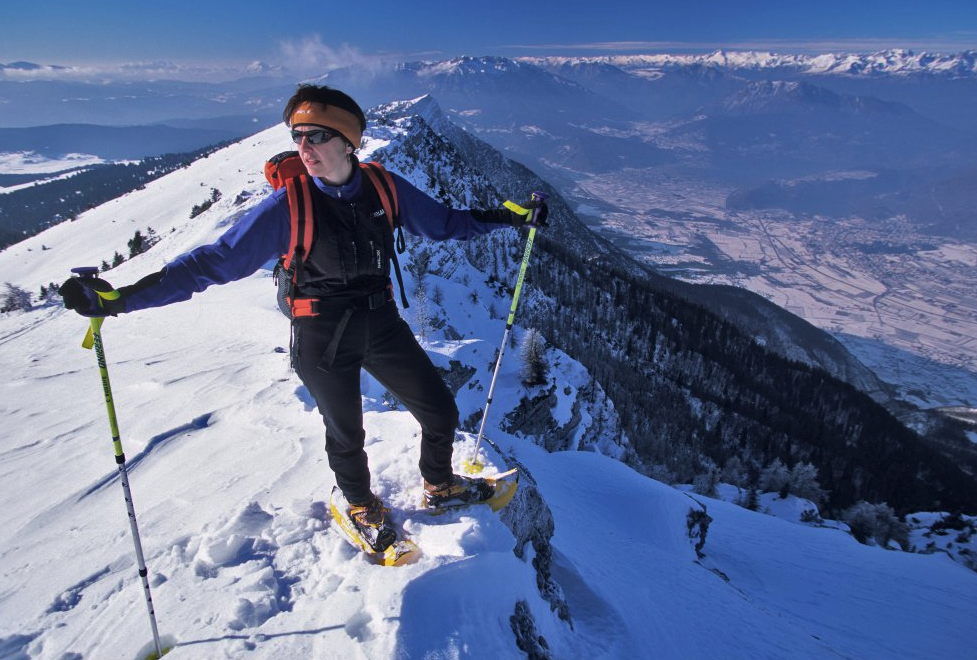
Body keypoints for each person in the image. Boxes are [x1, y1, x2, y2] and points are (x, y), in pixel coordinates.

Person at [60, 84, 547, 551]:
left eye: (317, 135)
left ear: (349, 141)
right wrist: (120, 299)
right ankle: (360, 506)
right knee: (347, 432)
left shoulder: (383, 187)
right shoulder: (288, 205)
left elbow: (446, 223)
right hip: (320, 334)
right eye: (297, 136)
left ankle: (439, 486)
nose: (304, 146)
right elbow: (213, 262)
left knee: (440, 410)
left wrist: (512, 216)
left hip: (380, 322)